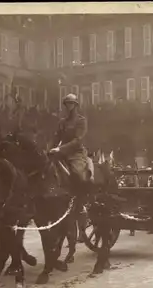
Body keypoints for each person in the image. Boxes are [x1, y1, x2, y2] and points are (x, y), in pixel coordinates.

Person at [49, 93, 89, 242]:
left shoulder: (81, 121)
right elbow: (56, 138)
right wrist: (50, 149)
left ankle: (81, 203)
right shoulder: (62, 122)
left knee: (78, 173)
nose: (69, 107)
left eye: (71, 104)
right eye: (67, 104)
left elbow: (78, 141)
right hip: (63, 153)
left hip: (76, 153)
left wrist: (60, 149)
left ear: (76, 105)